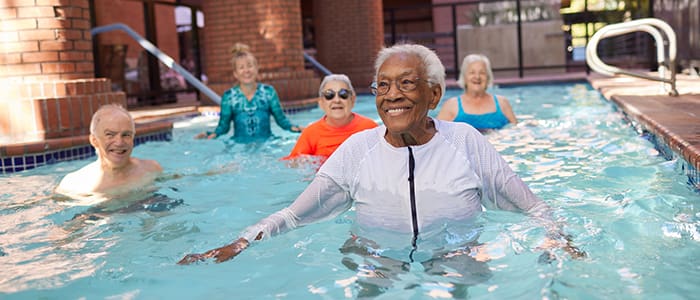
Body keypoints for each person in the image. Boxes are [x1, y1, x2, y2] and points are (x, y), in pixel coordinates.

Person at [179, 44, 584, 295]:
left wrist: (557, 239)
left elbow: (534, 207)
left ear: (434, 93)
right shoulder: (358, 149)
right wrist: (242, 241)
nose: (392, 96)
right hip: (376, 258)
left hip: (457, 255)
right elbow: (294, 213)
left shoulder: (465, 142)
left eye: (407, 84)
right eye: (382, 86)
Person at [195, 43, 302, 143]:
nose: (247, 70)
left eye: (250, 66)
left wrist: (296, 128)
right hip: (239, 146)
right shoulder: (229, 97)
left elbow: (282, 121)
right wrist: (211, 134)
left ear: (256, 69)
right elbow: (223, 127)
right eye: (241, 68)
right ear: (235, 74)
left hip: (266, 144)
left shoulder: (268, 92)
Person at [55, 104, 163, 201]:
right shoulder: (75, 184)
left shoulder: (151, 169)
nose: (119, 142)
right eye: (110, 135)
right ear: (94, 141)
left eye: (126, 135)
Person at [282, 74, 377, 165]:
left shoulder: (370, 128)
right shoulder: (311, 133)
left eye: (343, 94)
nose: (337, 100)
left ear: (352, 100)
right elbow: (292, 163)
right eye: (329, 95)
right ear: (321, 103)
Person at [436, 54, 517, 131]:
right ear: (464, 77)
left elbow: (516, 131)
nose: (477, 77)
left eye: (482, 73)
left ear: (488, 77)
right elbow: (437, 136)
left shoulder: (502, 103)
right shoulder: (451, 105)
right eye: (472, 73)